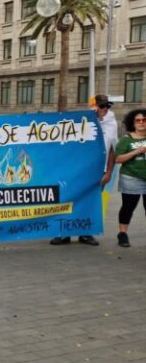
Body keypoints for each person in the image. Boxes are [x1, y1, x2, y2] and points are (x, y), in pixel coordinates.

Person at [49, 95, 115, 246]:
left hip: (99, 172)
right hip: (78, 170)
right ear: (92, 106)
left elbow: (112, 150)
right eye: (100, 106)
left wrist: (109, 172)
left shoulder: (112, 124)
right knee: (69, 199)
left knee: (92, 202)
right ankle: (64, 233)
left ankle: (86, 233)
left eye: (106, 106)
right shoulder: (79, 121)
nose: (103, 109)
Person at [114, 108, 146, 248]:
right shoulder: (126, 139)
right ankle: (122, 234)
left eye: (144, 120)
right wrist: (137, 151)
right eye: (138, 120)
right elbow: (118, 159)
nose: (141, 123)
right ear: (133, 122)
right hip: (131, 178)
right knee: (128, 207)